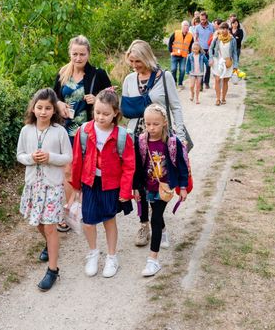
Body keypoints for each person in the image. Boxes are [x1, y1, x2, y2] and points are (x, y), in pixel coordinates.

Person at [121, 39, 187, 247]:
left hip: (160, 138)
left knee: (160, 178)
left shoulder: (164, 77)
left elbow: (175, 107)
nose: (134, 66)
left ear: (147, 57)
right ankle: (144, 224)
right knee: (138, 181)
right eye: (131, 62)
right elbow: (125, 112)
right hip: (136, 138)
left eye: (138, 61)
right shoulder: (129, 80)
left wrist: (181, 136)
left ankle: (159, 222)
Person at [70, 89, 134, 278]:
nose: (100, 117)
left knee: (109, 219)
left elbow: (129, 166)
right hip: (89, 182)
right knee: (88, 221)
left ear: (115, 113)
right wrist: (75, 186)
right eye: (97, 112)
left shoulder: (122, 136)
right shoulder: (84, 131)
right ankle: (93, 252)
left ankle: (112, 256)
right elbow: (76, 160)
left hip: (111, 184)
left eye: (106, 114)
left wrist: (125, 190)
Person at [53, 35, 112, 232]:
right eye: (74, 54)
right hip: (65, 131)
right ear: (69, 53)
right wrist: (59, 103)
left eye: (82, 54)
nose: (78, 58)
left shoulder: (98, 74)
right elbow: (53, 98)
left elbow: (111, 100)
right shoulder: (62, 74)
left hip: (88, 132)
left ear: (88, 54)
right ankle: (70, 209)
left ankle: (87, 206)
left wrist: (96, 100)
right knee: (68, 171)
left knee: (87, 171)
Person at [16, 88, 73, 291]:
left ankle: (53, 270)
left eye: (48, 108)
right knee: (39, 224)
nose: (43, 112)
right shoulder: (26, 131)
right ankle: (50, 245)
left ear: (54, 110)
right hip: (33, 186)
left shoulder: (59, 131)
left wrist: (50, 157)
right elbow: (20, 155)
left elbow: (68, 157)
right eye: (39, 107)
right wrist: (30, 158)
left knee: (50, 226)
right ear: (33, 108)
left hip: (53, 186)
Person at [133, 104, 189, 276]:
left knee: (155, 217)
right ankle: (163, 231)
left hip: (165, 187)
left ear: (164, 122)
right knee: (155, 215)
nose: (151, 128)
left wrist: (183, 186)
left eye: (155, 124)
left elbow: (181, 165)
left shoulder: (172, 143)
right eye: (148, 124)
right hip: (147, 186)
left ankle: (153, 261)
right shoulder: (141, 141)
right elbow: (136, 166)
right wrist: (135, 187)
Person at [209, 22, 239, 106]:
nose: (224, 30)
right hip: (217, 61)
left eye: (226, 28)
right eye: (222, 28)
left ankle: (223, 98)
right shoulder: (216, 38)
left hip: (228, 62)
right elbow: (210, 49)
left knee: (225, 81)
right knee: (217, 79)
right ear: (219, 29)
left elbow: (234, 53)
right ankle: (218, 99)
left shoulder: (232, 39)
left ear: (228, 30)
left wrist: (235, 66)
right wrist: (211, 59)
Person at [167, 20, 193, 88]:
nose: (186, 28)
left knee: (182, 70)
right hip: (174, 55)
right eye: (185, 26)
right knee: (173, 69)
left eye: (187, 27)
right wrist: (170, 51)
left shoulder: (190, 36)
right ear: (182, 27)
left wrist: (190, 54)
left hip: (183, 56)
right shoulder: (176, 33)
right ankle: (174, 82)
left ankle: (180, 83)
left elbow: (191, 46)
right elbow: (170, 42)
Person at [193, 12, 214, 90]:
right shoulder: (197, 27)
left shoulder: (211, 26)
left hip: (209, 49)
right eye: (201, 19)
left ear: (207, 19)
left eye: (203, 19)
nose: (202, 21)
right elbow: (195, 38)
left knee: (208, 66)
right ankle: (200, 84)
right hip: (200, 49)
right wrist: (196, 47)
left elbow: (214, 37)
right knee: (201, 67)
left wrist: (211, 48)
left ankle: (206, 82)